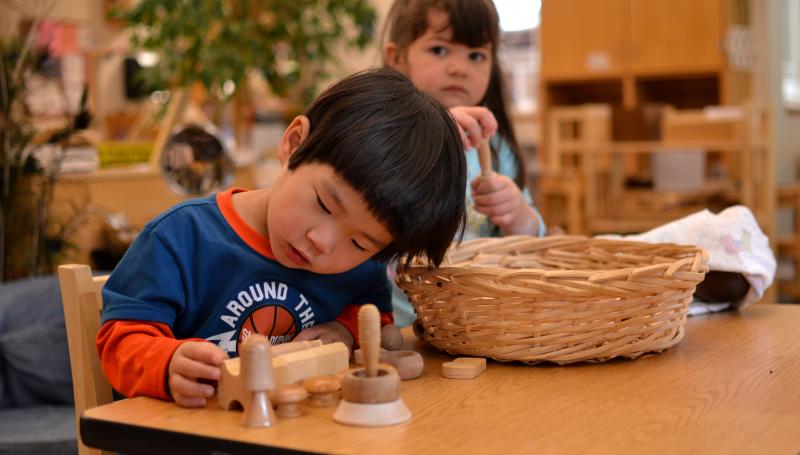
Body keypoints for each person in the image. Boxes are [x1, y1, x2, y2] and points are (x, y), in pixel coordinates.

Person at [97, 68, 467, 408]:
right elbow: (120, 340)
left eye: (358, 243)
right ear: (293, 144)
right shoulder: (180, 239)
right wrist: (166, 364)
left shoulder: (359, 267)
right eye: (324, 203)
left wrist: (343, 330)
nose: (323, 241)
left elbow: (375, 318)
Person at [382, 0, 546, 325]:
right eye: (440, 50)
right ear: (398, 58)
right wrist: (436, 133)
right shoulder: (384, 138)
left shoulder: (497, 150)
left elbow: (531, 244)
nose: (460, 67)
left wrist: (518, 214)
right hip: (400, 329)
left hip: (484, 325)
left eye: (476, 56)